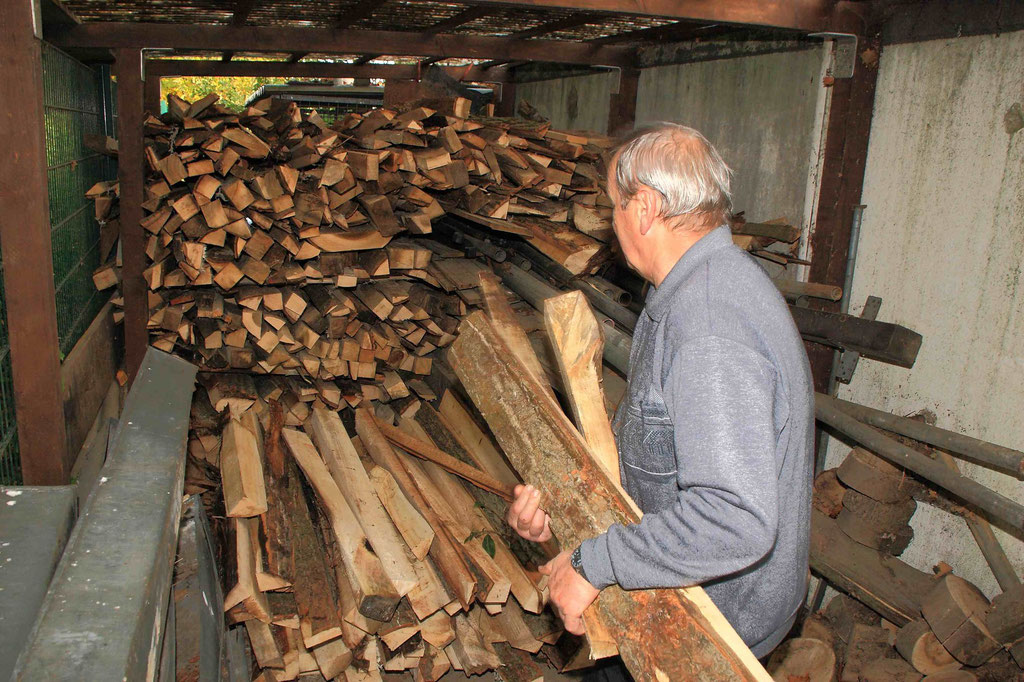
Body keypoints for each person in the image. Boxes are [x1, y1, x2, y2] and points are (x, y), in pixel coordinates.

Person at [506, 123, 814, 659]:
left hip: (711, 625)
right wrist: (564, 505)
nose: (612, 223)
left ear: (645, 208)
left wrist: (594, 564)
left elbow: (735, 519)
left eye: (614, 207)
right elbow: (657, 447)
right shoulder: (686, 288)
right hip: (677, 590)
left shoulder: (710, 326)